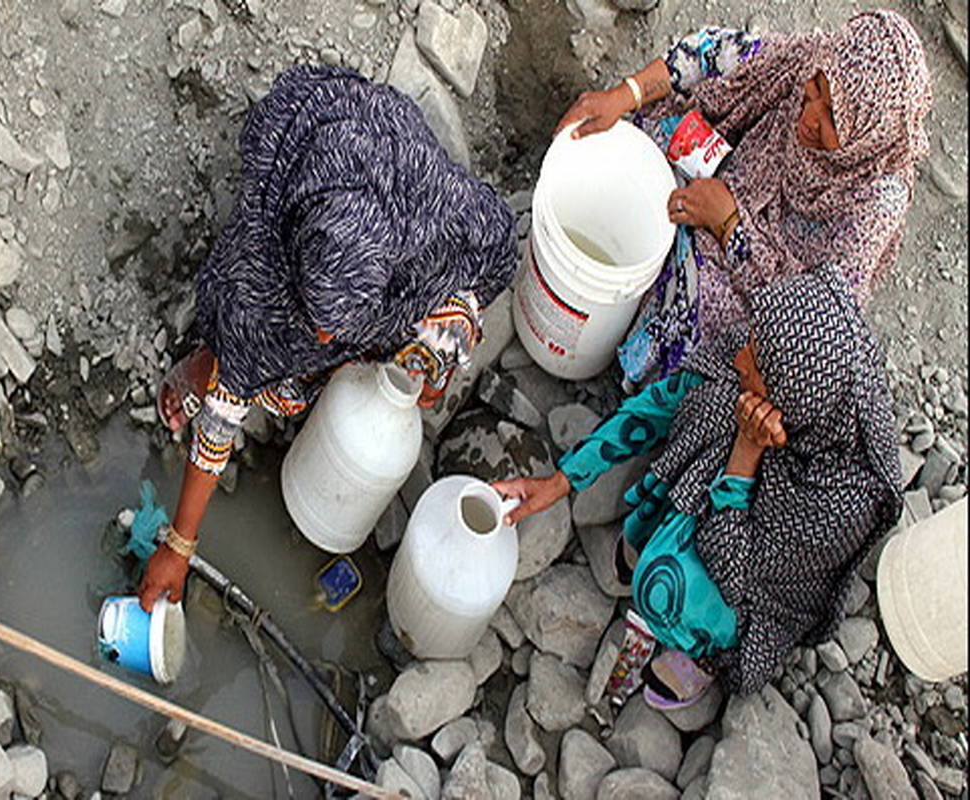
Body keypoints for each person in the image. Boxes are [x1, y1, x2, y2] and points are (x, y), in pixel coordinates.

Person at [138, 65, 517, 612]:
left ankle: (311, 349)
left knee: (408, 342)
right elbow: (221, 420)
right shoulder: (261, 273)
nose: (323, 336)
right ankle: (206, 361)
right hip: (312, 144)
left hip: (386, 160)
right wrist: (180, 544)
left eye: (335, 328)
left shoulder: (445, 220)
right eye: (319, 324)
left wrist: (446, 343)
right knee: (248, 349)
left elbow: (492, 259)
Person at [493, 264, 903, 705]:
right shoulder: (769, 356)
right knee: (714, 403)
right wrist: (562, 480)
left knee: (663, 584)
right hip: (731, 478)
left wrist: (745, 454)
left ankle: (707, 650)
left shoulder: (841, 501)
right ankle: (653, 529)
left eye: (755, 361)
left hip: (751, 587)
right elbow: (657, 406)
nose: (740, 357)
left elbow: (735, 573)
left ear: (790, 402)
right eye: (751, 342)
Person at [555, 10, 932, 385]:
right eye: (816, 90)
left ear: (867, 134)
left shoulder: (875, 203)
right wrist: (627, 94)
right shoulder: (815, 60)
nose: (809, 116)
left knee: (706, 309)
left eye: (833, 118)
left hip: (759, 273)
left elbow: (817, 319)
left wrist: (729, 226)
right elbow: (709, 53)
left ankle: (633, 371)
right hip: (729, 176)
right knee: (651, 141)